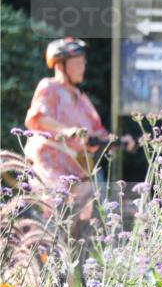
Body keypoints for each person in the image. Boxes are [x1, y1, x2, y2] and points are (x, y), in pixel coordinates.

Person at [23, 37, 134, 236]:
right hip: (50, 166)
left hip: (77, 169)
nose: (83, 66)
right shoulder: (49, 87)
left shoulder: (82, 99)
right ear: (60, 65)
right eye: (77, 62)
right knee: (56, 211)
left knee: (84, 218)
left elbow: (97, 131)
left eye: (83, 62)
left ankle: (76, 259)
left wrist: (118, 141)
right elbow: (37, 117)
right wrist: (65, 130)